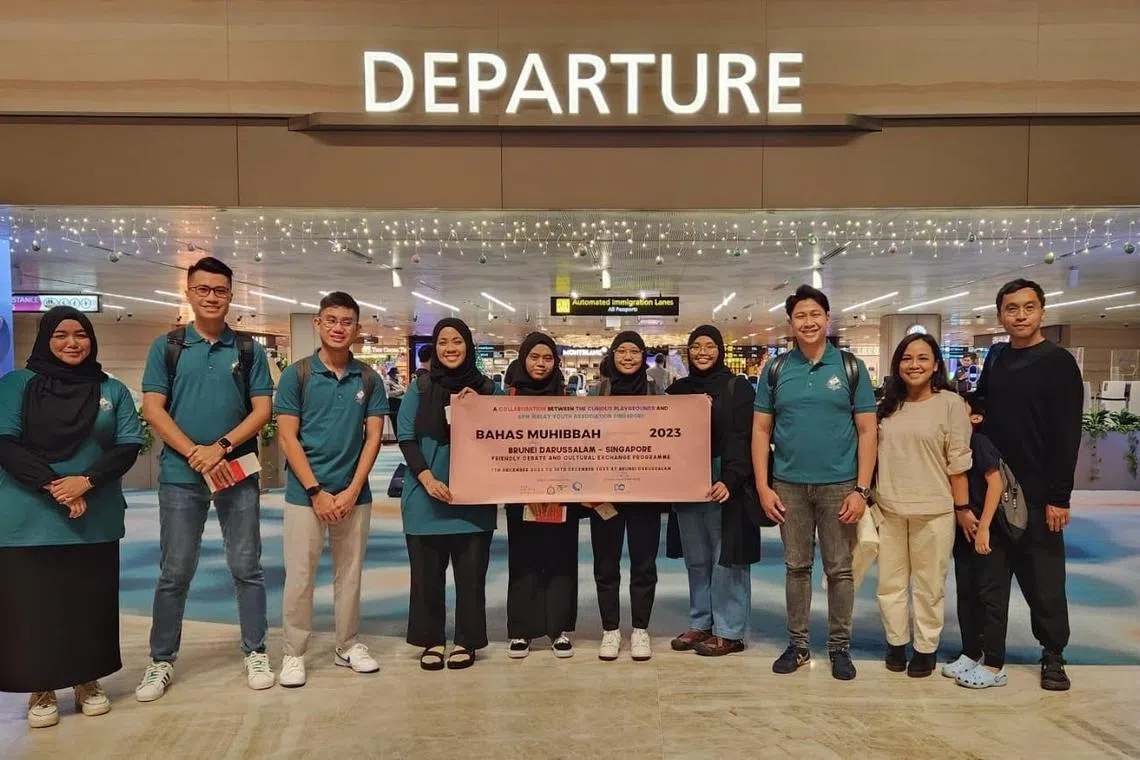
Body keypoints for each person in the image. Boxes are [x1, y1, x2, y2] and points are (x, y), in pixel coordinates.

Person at [136, 256, 276, 701]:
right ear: (189, 293)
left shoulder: (248, 349)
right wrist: (195, 453)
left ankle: (256, 650)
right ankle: (161, 659)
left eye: (220, 290)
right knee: (175, 569)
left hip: (236, 471)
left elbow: (262, 410)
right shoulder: (168, 347)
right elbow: (154, 408)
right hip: (182, 475)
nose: (212, 297)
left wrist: (221, 447)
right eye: (203, 289)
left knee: (247, 566)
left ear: (231, 296)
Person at [0, 307, 142, 728]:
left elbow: (128, 445)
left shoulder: (110, 389)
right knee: (34, 605)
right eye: (60, 335)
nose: (72, 343)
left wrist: (86, 482)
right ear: (45, 339)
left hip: (93, 518)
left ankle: (87, 680)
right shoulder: (16, 385)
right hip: (28, 519)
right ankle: (41, 687)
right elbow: (5, 444)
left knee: (88, 603)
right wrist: (56, 487)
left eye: (81, 334)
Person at [752, 285, 877, 681]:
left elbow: (868, 430)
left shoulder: (851, 368)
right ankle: (799, 645)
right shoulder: (775, 370)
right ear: (790, 323)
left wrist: (861, 490)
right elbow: (761, 429)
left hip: (839, 486)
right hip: (788, 485)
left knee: (840, 569)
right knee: (796, 567)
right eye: (800, 316)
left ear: (827, 318)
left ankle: (840, 647)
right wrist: (763, 486)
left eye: (815, 314)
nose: (808, 322)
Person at [274, 292, 387, 688]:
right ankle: (294, 652)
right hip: (305, 495)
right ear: (318, 324)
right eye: (332, 320)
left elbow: (373, 438)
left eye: (347, 322)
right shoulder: (297, 375)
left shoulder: (369, 379)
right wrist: (315, 490)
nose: (339, 328)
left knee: (349, 574)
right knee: (300, 576)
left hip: (354, 494)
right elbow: (287, 437)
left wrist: (353, 489)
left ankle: (348, 644)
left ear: (357, 329)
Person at [974, 279, 1083, 691]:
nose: (1020, 315)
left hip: (1038, 493)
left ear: (1042, 311)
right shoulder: (997, 356)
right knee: (993, 577)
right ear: (1000, 315)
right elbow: (983, 400)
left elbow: (1067, 434)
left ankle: (1053, 654)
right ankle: (990, 654)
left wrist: (1059, 496)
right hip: (995, 487)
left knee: (1044, 580)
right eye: (1012, 308)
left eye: (1028, 307)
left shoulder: (1058, 363)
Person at [397, 318, 501, 671]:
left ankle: (466, 641)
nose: (450, 348)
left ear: (468, 346)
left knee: (471, 578)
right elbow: (406, 436)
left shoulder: (488, 389)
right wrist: (426, 478)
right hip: (425, 496)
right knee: (426, 577)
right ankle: (431, 639)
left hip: (472, 500)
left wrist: (479, 409)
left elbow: (509, 434)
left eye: (457, 341)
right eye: (443, 342)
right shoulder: (420, 387)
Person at [873, 334, 972, 678]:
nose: (913, 365)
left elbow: (958, 461)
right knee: (890, 585)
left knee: (929, 587)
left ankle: (925, 648)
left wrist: (962, 508)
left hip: (935, 511)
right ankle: (896, 643)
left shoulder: (951, 404)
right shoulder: (887, 405)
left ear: (935, 365)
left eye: (922, 358)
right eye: (906, 358)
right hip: (889, 507)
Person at [665, 325, 760, 657]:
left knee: (726, 558)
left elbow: (745, 437)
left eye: (709, 346)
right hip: (687, 481)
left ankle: (729, 630)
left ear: (720, 350)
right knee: (697, 557)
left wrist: (730, 479)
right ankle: (701, 622)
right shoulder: (678, 391)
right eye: (696, 346)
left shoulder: (738, 388)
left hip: (724, 481)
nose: (702, 352)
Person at [503, 332, 580, 659]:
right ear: (523, 359)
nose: (541, 364)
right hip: (521, 494)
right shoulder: (507, 398)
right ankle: (522, 630)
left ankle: (558, 629)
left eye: (548, 358)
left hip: (561, 493)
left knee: (560, 559)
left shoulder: (567, 398)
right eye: (534, 357)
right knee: (524, 559)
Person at [588, 331, 665, 662]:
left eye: (635, 351)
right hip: (605, 493)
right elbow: (583, 439)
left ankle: (640, 628)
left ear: (643, 356)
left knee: (644, 563)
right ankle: (610, 629)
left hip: (645, 491)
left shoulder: (657, 392)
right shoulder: (597, 392)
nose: (629, 357)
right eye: (622, 351)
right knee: (606, 563)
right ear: (613, 355)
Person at [943, 395, 1008, 688]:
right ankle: (971, 652)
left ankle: (994, 664)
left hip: (986, 531)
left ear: (976, 418)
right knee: (966, 593)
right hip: (964, 531)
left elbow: (996, 484)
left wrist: (984, 527)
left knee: (990, 596)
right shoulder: (956, 445)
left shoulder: (979, 443)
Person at [385, 365, 406, 432]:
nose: (397, 375)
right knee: (395, 423)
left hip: (400, 403)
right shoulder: (388, 382)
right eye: (396, 374)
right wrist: (400, 391)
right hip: (393, 404)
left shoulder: (398, 383)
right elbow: (389, 393)